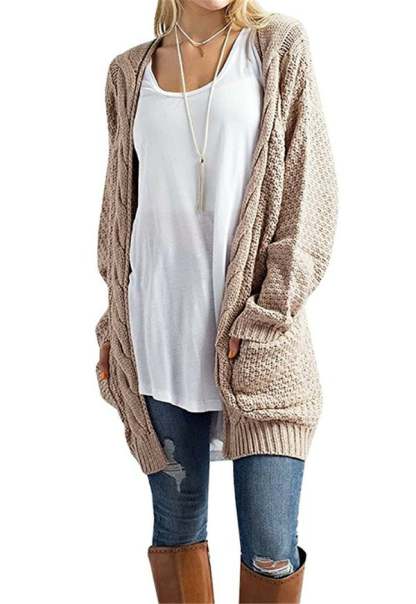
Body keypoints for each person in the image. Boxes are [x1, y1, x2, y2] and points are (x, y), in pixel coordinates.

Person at [95, 1, 337, 601]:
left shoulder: (277, 47)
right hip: (158, 339)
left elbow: (310, 196)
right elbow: (120, 216)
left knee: (270, 550)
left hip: (258, 347)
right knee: (177, 531)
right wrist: (112, 328)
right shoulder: (128, 73)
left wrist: (266, 313)